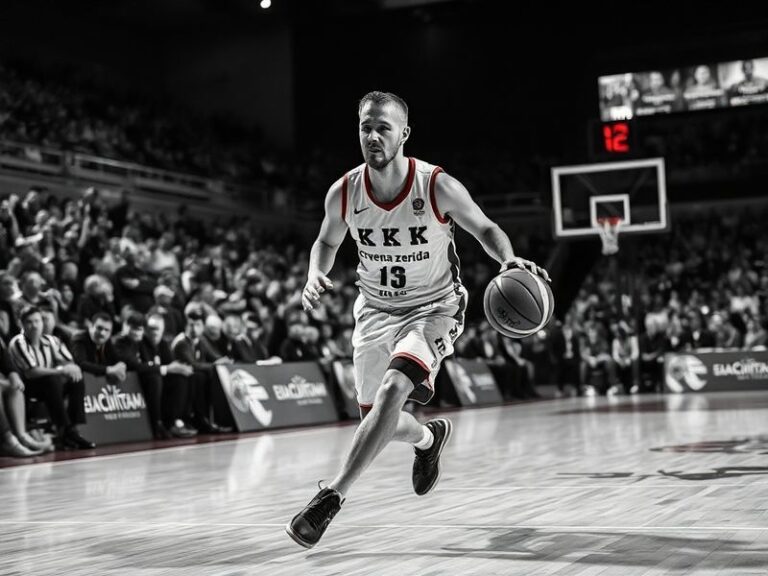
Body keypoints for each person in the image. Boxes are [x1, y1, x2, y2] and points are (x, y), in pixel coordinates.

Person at [286, 91, 548, 548]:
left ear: (404, 133)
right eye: (365, 127)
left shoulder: (436, 185)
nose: (372, 136)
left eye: (382, 128)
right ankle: (428, 438)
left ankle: (331, 497)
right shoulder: (344, 191)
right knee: (379, 422)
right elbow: (326, 242)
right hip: (374, 311)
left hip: (433, 308)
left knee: (393, 390)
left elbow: (485, 227)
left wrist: (507, 260)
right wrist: (314, 273)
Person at [9, 306, 93, 449]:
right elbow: (31, 372)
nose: (34, 326)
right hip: (25, 387)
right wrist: (60, 370)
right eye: (29, 322)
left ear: (42, 322)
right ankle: (65, 428)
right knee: (52, 379)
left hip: (50, 385)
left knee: (76, 378)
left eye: (37, 321)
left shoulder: (52, 340)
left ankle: (72, 429)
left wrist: (71, 367)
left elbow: (68, 362)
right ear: (21, 324)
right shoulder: (18, 342)